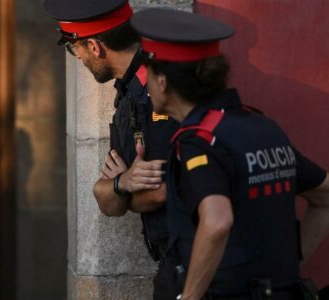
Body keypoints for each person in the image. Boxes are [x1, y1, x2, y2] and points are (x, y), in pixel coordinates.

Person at [131, 7, 329, 300]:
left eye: (149, 73)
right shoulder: (262, 126)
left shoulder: (198, 142)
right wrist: (289, 266)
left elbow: (217, 221)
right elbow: (325, 195)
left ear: (163, 81)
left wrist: (190, 297)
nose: (146, 83)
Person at [44, 0, 179, 295]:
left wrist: (119, 187)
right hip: (173, 263)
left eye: (73, 48)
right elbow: (110, 204)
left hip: (190, 265)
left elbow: (160, 192)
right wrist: (120, 185)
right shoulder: (129, 91)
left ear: (94, 46)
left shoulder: (157, 92)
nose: (77, 58)